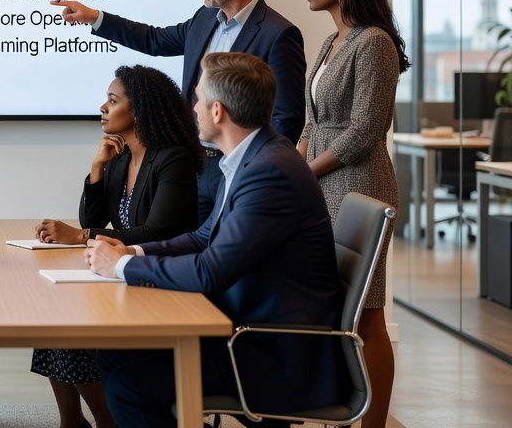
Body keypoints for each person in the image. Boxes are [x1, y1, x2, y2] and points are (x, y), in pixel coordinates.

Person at [84, 52, 343, 428]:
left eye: (199, 99)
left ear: (217, 111)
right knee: (113, 356)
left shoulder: (267, 173)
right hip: (249, 329)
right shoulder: (252, 159)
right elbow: (206, 237)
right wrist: (132, 250)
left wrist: (122, 266)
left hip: (272, 352)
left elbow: (209, 272)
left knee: (129, 386)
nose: (193, 108)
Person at [51, 0, 305, 225]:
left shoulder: (278, 34)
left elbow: (288, 117)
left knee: (223, 255)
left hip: (236, 166)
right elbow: (155, 39)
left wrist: (256, 169)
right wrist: (96, 18)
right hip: (192, 163)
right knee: (185, 247)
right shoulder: (204, 18)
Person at [31, 65, 204, 428]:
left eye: (112, 100)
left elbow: (158, 232)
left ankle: (110, 423)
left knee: (70, 336)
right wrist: (98, 167)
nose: (103, 108)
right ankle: (71, 423)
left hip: (162, 282)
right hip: (124, 275)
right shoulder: (121, 158)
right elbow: (93, 217)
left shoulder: (173, 159)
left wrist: (79, 237)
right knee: (52, 324)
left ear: (138, 109)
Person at [299, 0, 409, 428]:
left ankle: (374, 425)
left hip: (361, 188)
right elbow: (312, 123)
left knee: (367, 314)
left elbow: (365, 130)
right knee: (336, 310)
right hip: (323, 186)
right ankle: (340, 406)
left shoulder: (374, 43)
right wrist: (289, 172)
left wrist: (306, 171)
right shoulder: (331, 42)